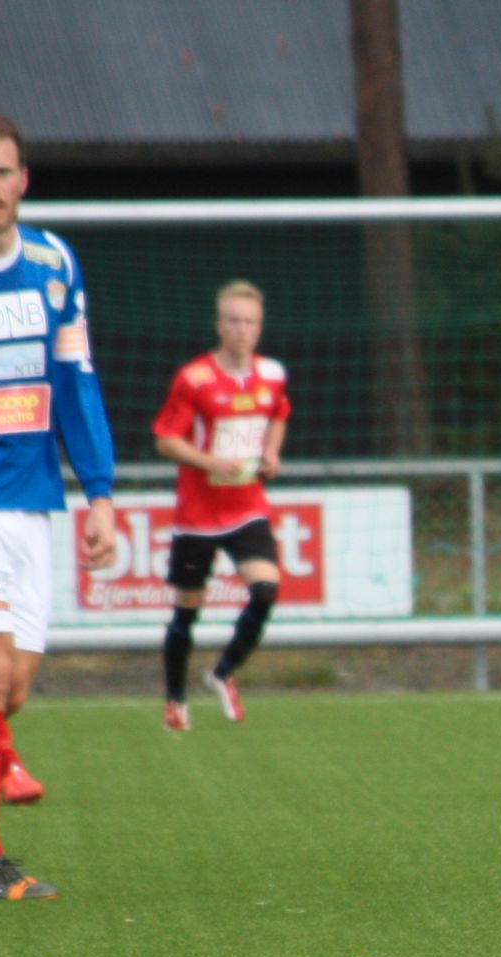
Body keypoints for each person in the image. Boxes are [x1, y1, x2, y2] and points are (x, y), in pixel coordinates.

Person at [0, 111, 117, 900]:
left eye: (0, 172)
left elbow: (76, 378)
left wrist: (101, 492)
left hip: (33, 497)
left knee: (9, 687)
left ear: (23, 178)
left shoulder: (54, 262)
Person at [152, 280, 289, 729]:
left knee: (266, 590)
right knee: (187, 611)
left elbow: (278, 416)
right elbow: (166, 439)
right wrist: (210, 461)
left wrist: (271, 454)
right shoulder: (195, 378)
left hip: (247, 506)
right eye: (233, 320)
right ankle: (175, 699)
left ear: (260, 327)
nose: (241, 329)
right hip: (198, 516)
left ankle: (223, 673)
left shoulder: (271, 374)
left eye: (249, 322)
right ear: (219, 324)